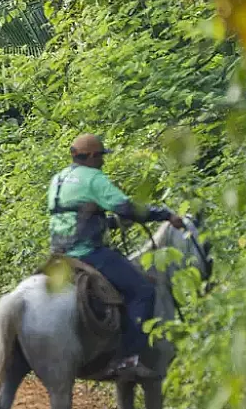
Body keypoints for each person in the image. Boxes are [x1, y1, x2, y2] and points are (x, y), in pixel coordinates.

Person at [48, 133, 184, 378]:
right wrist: (164, 214)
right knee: (143, 290)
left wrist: (109, 223)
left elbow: (72, 217)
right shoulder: (93, 178)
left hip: (58, 255)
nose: (102, 161)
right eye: (100, 156)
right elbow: (128, 208)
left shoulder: (58, 179)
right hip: (87, 253)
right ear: (90, 156)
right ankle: (128, 358)